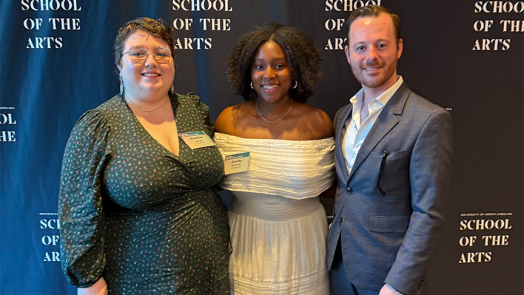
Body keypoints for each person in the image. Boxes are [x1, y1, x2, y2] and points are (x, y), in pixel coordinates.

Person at [58, 17, 230, 294]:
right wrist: (89, 282)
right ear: (119, 65)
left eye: (162, 54)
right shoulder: (99, 125)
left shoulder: (193, 110)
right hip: (137, 281)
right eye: (138, 53)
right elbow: (78, 213)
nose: (151, 61)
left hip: (210, 276)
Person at [326, 5, 453, 295]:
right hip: (337, 271)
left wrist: (397, 286)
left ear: (398, 47)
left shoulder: (428, 120)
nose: (371, 56)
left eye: (381, 45)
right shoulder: (342, 116)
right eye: (361, 47)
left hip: (386, 280)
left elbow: (428, 213)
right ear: (348, 54)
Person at [214, 23, 335, 294]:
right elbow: (213, 182)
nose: (268, 75)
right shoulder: (228, 121)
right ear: (248, 72)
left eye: (279, 65)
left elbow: (331, 187)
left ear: (295, 70)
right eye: (259, 66)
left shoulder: (319, 122)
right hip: (246, 240)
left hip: (304, 241)